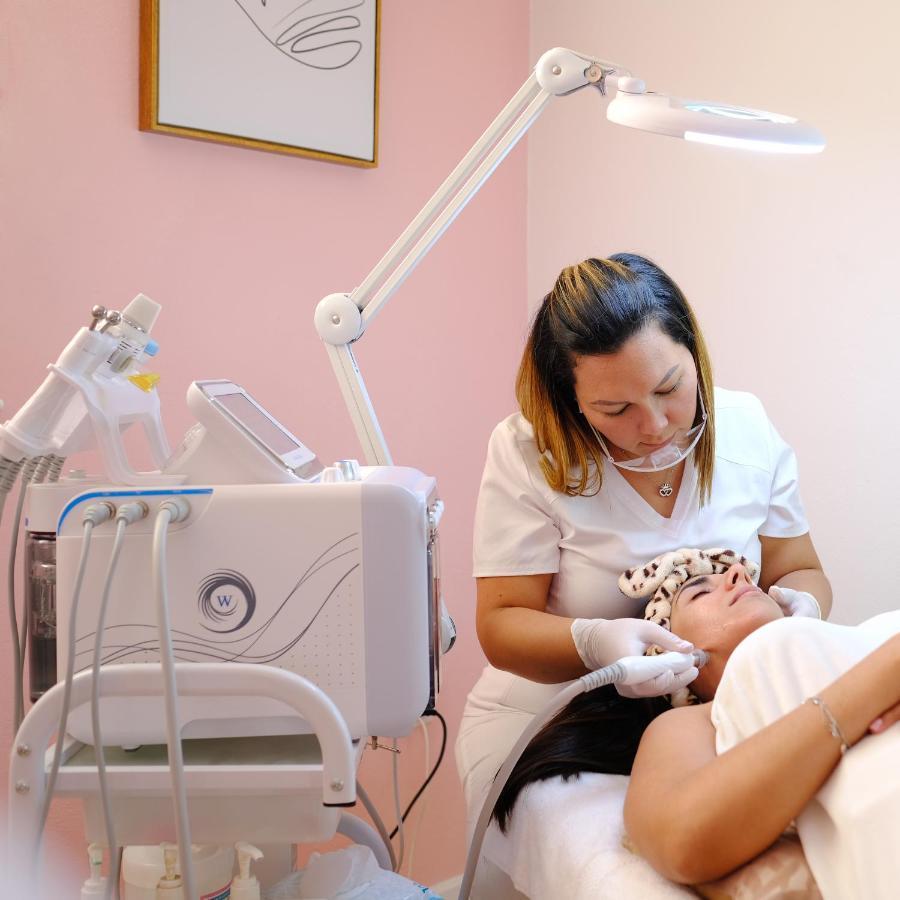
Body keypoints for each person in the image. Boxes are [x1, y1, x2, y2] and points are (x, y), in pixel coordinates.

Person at [456, 252, 831, 830]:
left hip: (718, 723)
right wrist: (593, 642)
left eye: (670, 388)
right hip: (560, 725)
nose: (654, 425)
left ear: (694, 356)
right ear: (570, 402)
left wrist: (801, 609)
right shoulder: (529, 452)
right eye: (616, 408)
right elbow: (501, 623)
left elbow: (800, 570)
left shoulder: (746, 426)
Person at [492, 550, 900, 896]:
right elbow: (680, 840)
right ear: (672, 657)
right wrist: (879, 681)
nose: (739, 573)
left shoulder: (868, 635)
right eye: (701, 591)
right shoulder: (699, 721)